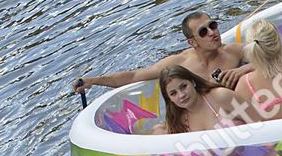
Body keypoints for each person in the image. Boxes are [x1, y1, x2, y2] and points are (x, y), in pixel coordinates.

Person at [72, 10, 251, 97]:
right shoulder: (181, 63)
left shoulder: (233, 52)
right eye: (203, 31)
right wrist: (94, 81)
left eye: (213, 25)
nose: (212, 32)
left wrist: (241, 71)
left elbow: (272, 57)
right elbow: (134, 75)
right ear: (192, 42)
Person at [153, 65, 251, 134]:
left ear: (193, 82)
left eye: (183, 86)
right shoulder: (178, 122)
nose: (181, 95)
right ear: (169, 99)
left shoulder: (221, 96)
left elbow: (260, 121)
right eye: (173, 93)